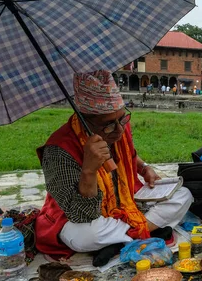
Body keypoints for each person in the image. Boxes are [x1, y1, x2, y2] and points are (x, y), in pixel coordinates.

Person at [35, 70, 193, 260]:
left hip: (126, 201)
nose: (119, 130)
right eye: (109, 124)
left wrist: (144, 168)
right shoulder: (59, 150)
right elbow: (81, 215)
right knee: (85, 236)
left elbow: (130, 156)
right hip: (84, 216)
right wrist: (89, 169)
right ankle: (147, 230)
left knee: (184, 194)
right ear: (85, 120)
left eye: (122, 118)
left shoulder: (118, 127)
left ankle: (129, 235)